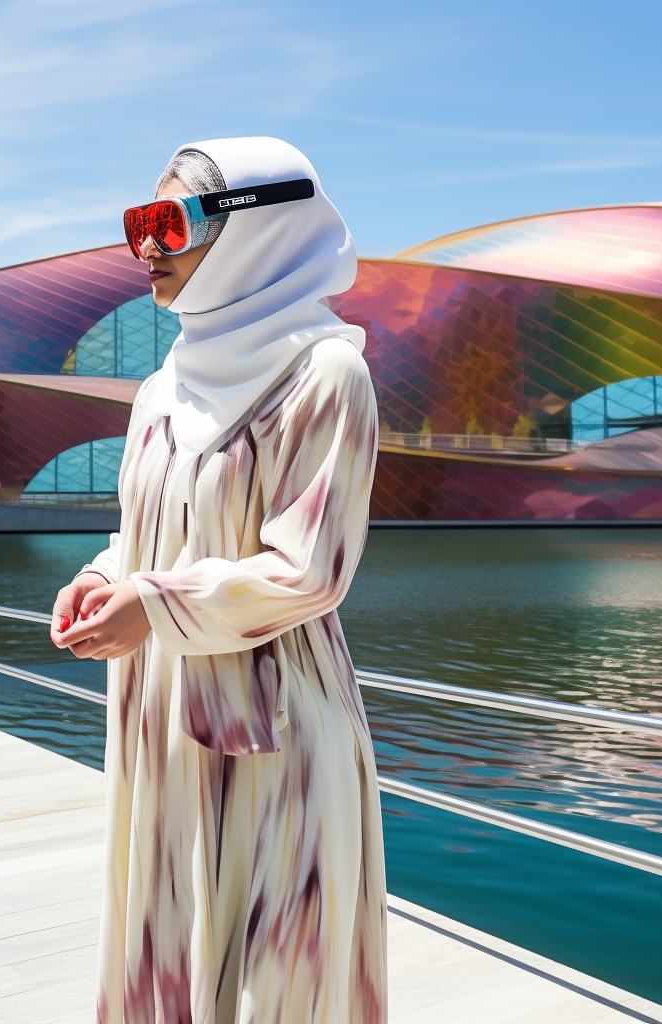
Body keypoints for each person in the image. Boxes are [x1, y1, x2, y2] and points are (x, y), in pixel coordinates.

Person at [51, 137, 386, 1024]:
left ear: (254, 233)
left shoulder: (326, 375)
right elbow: (143, 533)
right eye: (136, 226)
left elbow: (309, 570)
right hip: (160, 722)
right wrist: (101, 579)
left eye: (168, 223)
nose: (146, 248)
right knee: (171, 944)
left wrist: (154, 606)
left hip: (280, 729)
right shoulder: (160, 390)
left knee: (279, 971)